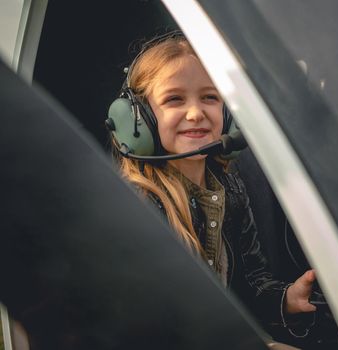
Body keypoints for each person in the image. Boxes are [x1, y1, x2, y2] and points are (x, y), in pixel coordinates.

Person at [107, 33, 317, 337]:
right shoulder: (138, 204)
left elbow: (251, 284)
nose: (196, 113)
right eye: (174, 99)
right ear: (137, 118)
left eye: (210, 97)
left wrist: (286, 299)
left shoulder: (229, 187)